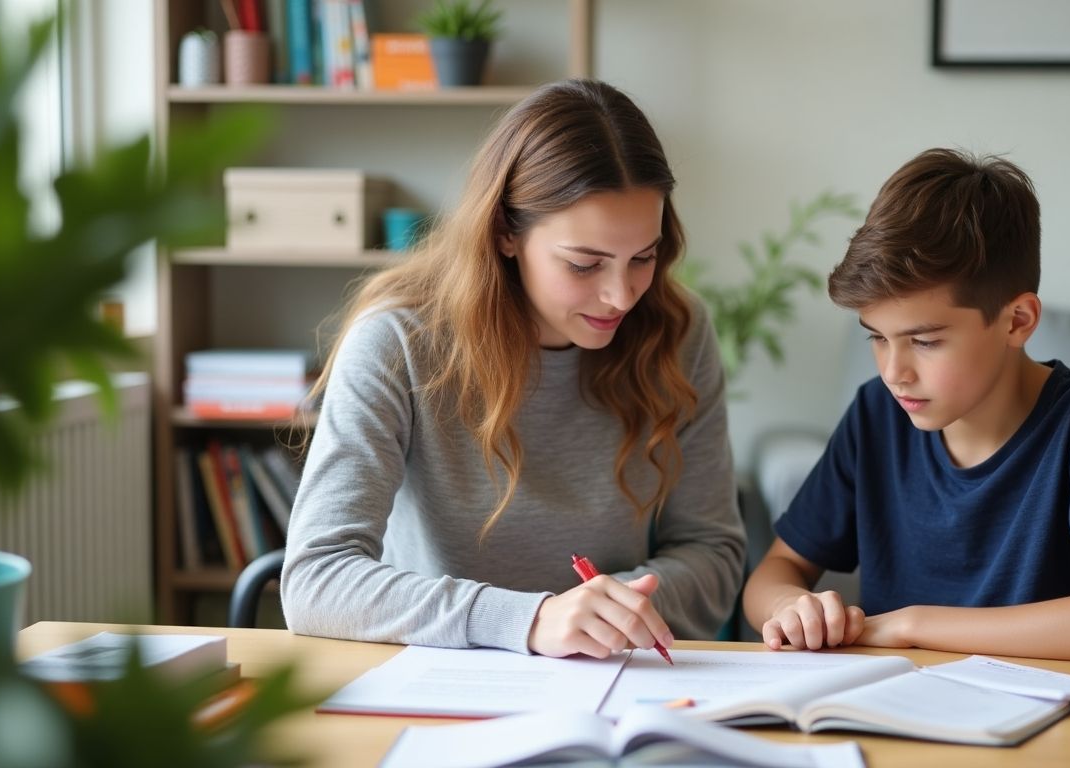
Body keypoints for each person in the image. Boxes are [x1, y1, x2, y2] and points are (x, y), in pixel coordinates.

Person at [281, 79, 745, 659]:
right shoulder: (398, 341)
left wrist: (604, 616)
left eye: (643, 258)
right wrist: (530, 621)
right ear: (505, 232)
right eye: (584, 264)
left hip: (612, 677)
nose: (621, 295)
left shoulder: (676, 331)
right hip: (441, 675)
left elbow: (713, 553)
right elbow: (315, 580)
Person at [742, 148, 1070, 664]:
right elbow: (772, 574)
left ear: (1017, 320)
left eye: (924, 341)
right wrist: (793, 605)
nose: (892, 371)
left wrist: (909, 624)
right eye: (877, 338)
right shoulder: (877, 414)